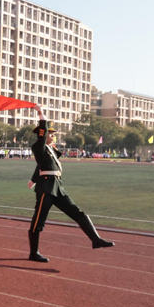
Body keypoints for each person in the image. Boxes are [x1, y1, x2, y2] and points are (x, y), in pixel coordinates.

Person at [27, 105, 115, 263]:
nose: (53, 135)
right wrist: (40, 113)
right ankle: (33, 253)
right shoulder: (38, 147)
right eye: (50, 133)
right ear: (43, 134)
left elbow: (41, 166)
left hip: (58, 188)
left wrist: (33, 180)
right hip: (46, 189)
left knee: (77, 213)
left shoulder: (51, 150)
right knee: (38, 221)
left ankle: (96, 239)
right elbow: (42, 158)